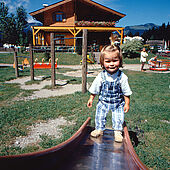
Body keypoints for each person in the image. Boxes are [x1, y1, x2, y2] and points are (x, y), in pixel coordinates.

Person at [87, 44, 132, 143]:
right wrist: (91, 98)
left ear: (119, 61)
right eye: (108, 61)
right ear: (102, 63)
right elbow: (95, 88)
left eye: (115, 61)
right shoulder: (101, 76)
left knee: (118, 117)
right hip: (103, 102)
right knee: (99, 115)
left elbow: (126, 92)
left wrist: (127, 103)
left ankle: (117, 131)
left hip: (117, 103)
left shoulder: (122, 77)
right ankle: (99, 129)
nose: (111, 64)